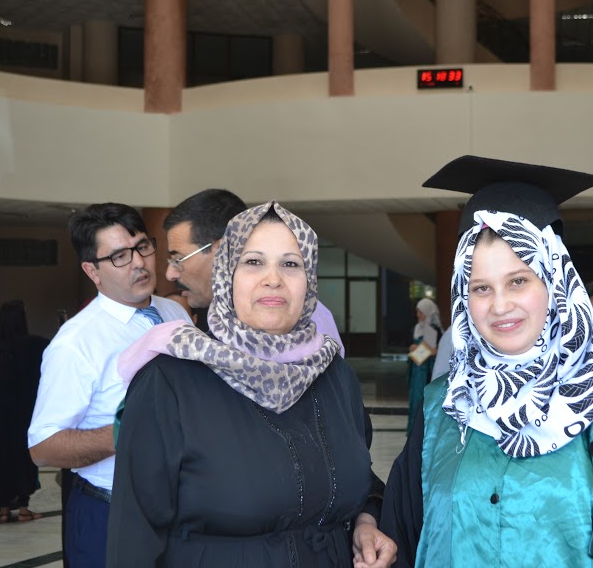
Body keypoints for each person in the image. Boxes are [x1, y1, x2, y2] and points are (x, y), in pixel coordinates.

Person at [378, 156, 593, 567]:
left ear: (554, 281)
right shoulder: (445, 402)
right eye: (480, 288)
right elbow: (403, 535)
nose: (500, 306)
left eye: (518, 280)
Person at [107, 201, 396, 567]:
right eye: (253, 262)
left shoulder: (334, 375)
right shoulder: (170, 381)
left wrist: (365, 522)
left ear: (309, 281)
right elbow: (133, 535)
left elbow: (359, 478)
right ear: (226, 274)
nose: (273, 279)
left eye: (291, 264)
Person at [28, 203, 190, 568]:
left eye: (142, 247)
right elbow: (43, 447)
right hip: (111, 511)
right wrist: (126, 431)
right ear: (92, 271)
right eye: (119, 256)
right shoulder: (76, 343)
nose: (139, 263)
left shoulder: (174, 313)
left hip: (180, 508)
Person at [163, 189, 344, 353]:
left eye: (179, 258)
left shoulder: (309, 321)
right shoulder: (177, 354)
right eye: (254, 262)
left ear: (222, 252)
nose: (170, 274)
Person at [0, 299, 49, 523]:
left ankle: (3, 510)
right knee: (22, 457)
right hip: (24, 413)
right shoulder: (35, 345)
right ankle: (24, 509)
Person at [407, 298, 441, 432]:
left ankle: (423, 429)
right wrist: (413, 348)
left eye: (421, 312)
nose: (418, 315)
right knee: (415, 397)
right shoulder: (417, 328)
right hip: (417, 368)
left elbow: (436, 350)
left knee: (424, 398)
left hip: (427, 370)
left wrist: (425, 350)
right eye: (417, 312)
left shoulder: (434, 329)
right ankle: (413, 429)